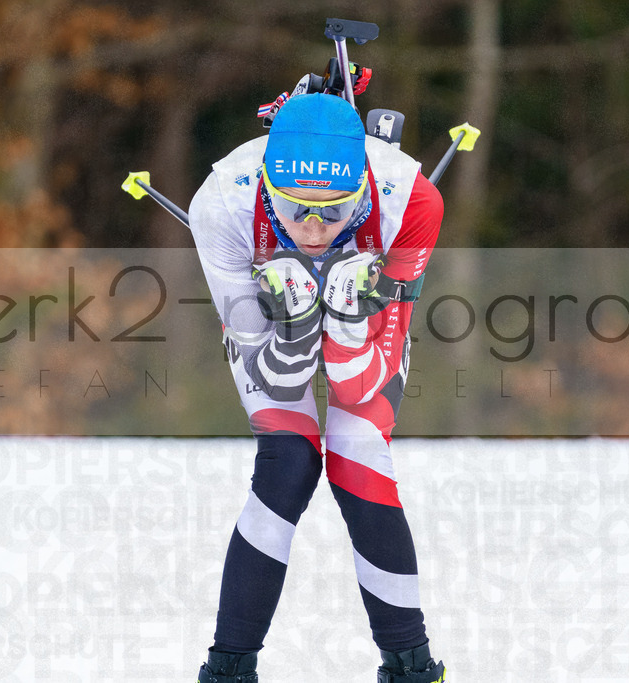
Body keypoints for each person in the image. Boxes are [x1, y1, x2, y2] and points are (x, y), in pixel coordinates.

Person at [187, 92, 447, 682]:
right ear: (266, 188)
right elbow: (272, 376)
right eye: (294, 208)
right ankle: (228, 670)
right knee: (289, 461)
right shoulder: (221, 203)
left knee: (359, 457)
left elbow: (362, 388)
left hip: (369, 313)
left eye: (333, 212)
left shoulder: (411, 199)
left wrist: (350, 323)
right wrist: (297, 327)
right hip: (270, 317)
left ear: (362, 190)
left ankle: (410, 667)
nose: (312, 228)